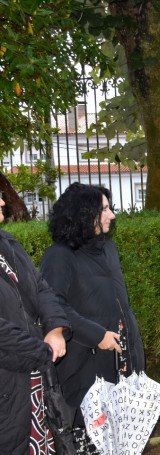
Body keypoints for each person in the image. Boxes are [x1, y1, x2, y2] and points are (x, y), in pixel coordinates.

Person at [40, 183, 145, 453]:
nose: (112, 215)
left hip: (122, 360)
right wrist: (96, 335)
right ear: (84, 215)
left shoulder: (109, 248)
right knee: (94, 442)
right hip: (85, 368)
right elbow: (53, 306)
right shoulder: (58, 256)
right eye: (105, 209)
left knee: (125, 439)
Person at [0, 193, 69, 455]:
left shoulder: (7, 242)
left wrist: (54, 328)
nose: (3, 202)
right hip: (9, 381)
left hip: (34, 380)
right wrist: (40, 351)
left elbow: (40, 287)